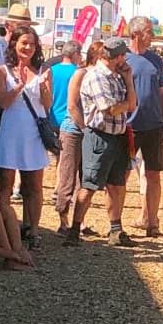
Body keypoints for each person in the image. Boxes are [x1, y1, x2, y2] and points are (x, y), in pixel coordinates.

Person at [67, 38, 137, 247]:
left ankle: (116, 229)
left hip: (117, 135)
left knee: (116, 185)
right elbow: (109, 107)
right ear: (117, 56)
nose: (125, 59)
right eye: (123, 55)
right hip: (99, 136)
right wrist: (126, 103)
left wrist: (129, 81)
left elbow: (130, 105)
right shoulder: (97, 76)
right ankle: (74, 230)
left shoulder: (117, 76)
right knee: (89, 185)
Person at [0, 26, 51, 249]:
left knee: (34, 183)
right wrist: (19, 86)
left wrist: (43, 87)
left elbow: (47, 104)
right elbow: (2, 102)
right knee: (6, 182)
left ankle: (33, 229)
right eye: (24, 43)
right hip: (11, 129)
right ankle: (8, 226)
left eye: (32, 44)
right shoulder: (2, 71)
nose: (28, 48)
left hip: (33, 132)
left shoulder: (44, 70)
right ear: (14, 44)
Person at [126, 17, 163, 238]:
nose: (152, 36)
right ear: (135, 34)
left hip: (153, 125)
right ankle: (117, 224)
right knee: (122, 175)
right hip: (129, 126)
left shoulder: (156, 60)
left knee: (154, 175)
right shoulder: (123, 59)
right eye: (148, 31)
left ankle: (152, 223)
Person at [55, 41, 104, 235]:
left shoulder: (102, 76)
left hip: (90, 131)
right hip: (74, 130)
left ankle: (79, 221)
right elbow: (72, 106)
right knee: (67, 177)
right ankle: (63, 220)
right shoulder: (81, 73)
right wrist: (85, 128)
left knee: (86, 179)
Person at [0, 3, 31, 173]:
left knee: (26, 167)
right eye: (21, 26)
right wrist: (14, 84)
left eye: (27, 27)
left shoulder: (31, 51)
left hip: (25, 118)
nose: (25, 30)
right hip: (0, 116)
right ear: (8, 26)